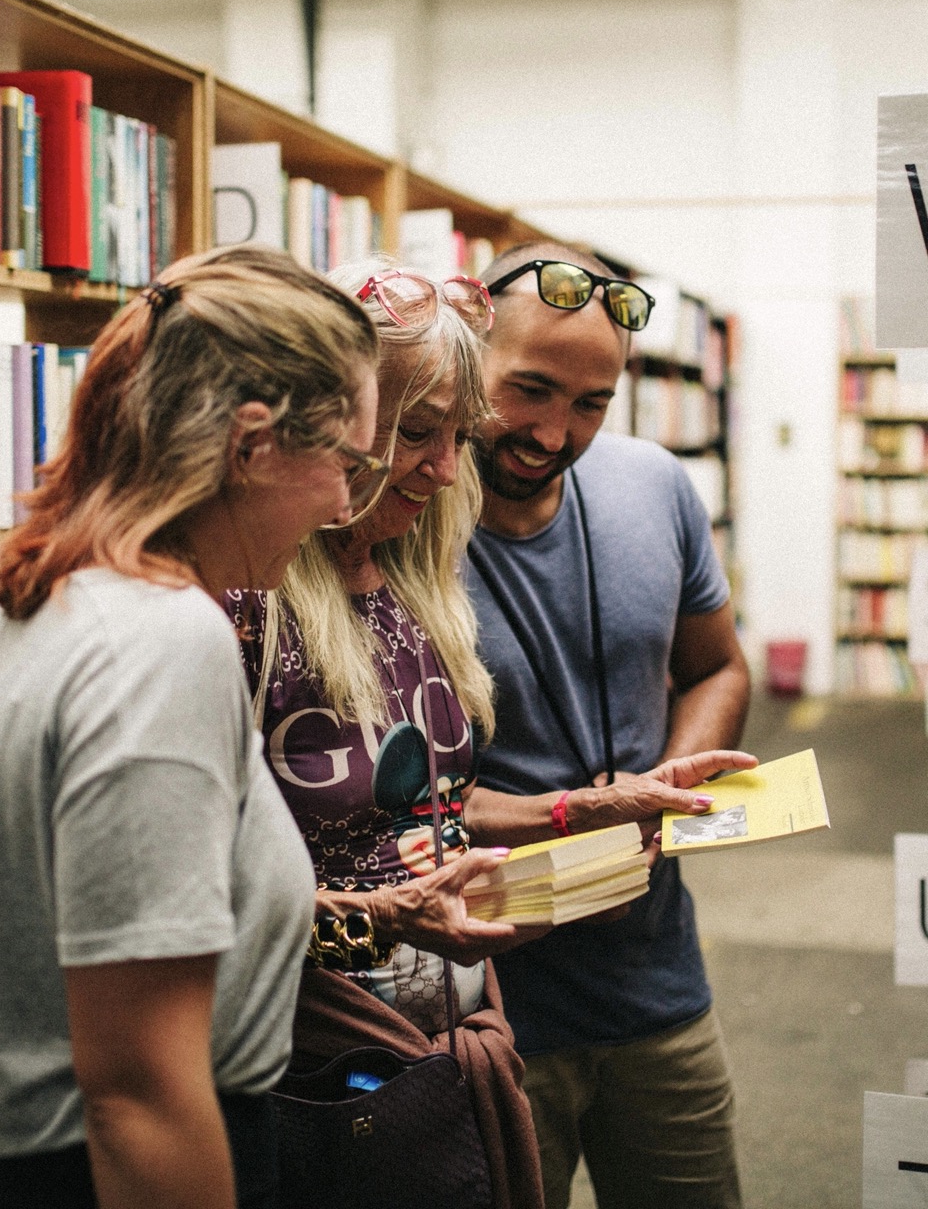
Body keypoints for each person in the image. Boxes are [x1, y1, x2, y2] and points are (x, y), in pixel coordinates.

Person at [228, 262, 753, 1209]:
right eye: (418, 432)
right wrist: (389, 920)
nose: (448, 468)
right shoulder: (247, 597)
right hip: (326, 1062)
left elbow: (432, 804)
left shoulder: (410, 574)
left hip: (467, 1028)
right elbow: (196, 909)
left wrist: (588, 809)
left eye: (592, 403)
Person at [0, 243, 383, 1209]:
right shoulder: (161, 642)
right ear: (252, 444)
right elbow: (139, 1092)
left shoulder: (52, 597)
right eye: (346, 460)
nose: (348, 503)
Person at [463, 241, 753, 1209]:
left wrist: (660, 791)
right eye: (530, 390)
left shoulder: (655, 484)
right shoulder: (398, 518)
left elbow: (716, 665)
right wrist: (571, 820)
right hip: (484, 1007)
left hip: (656, 980)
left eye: (591, 404)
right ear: (467, 346)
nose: (555, 433)